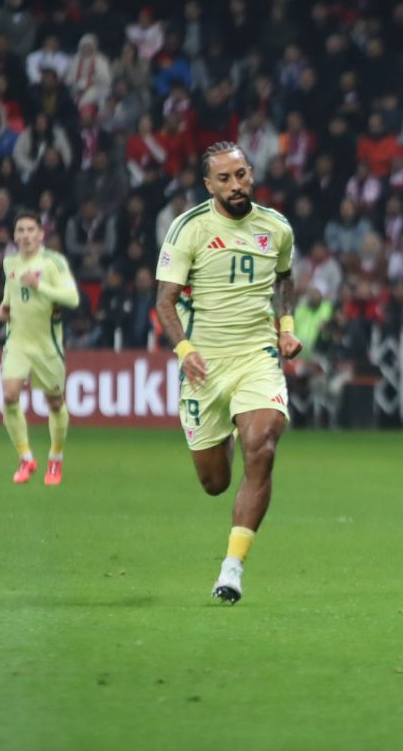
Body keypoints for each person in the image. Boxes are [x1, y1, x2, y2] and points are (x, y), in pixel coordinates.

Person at [154, 141, 301, 604]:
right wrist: (183, 348)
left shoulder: (276, 228)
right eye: (224, 178)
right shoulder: (189, 228)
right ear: (208, 184)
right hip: (205, 369)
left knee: (262, 447)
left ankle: (232, 569)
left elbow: (285, 278)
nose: (236, 185)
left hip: (257, 358)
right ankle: (230, 431)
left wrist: (287, 327)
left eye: (241, 174)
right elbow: (165, 298)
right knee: (215, 483)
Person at [0, 211, 80, 485]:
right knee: (9, 396)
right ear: (15, 236)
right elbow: (11, 292)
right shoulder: (9, 262)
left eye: (30, 230)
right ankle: (26, 458)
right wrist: (4, 306)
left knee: (55, 403)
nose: (25, 235)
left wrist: (40, 286)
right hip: (18, 342)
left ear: (40, 234)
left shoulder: (53, 263)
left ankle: (55, 460)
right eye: (20, 230)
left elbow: (72, 298)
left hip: (47, 345)